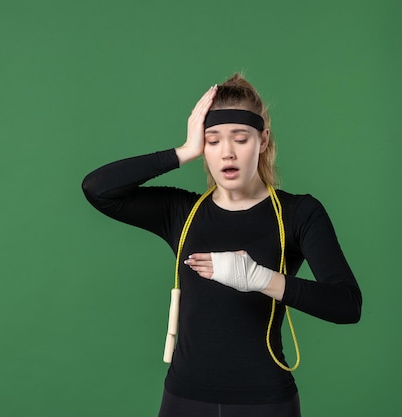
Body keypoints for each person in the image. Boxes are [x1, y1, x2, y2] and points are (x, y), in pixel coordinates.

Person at [81, 74, 362, 417]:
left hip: (266, 401)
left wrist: (260, 278)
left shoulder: (299, 213)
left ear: (262, 140)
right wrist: (182, 151)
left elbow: (348, 305)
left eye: (240, 138)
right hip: (184, 399)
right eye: (212, 141)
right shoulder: (181, 212)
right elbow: (97, 188)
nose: (227, 152)